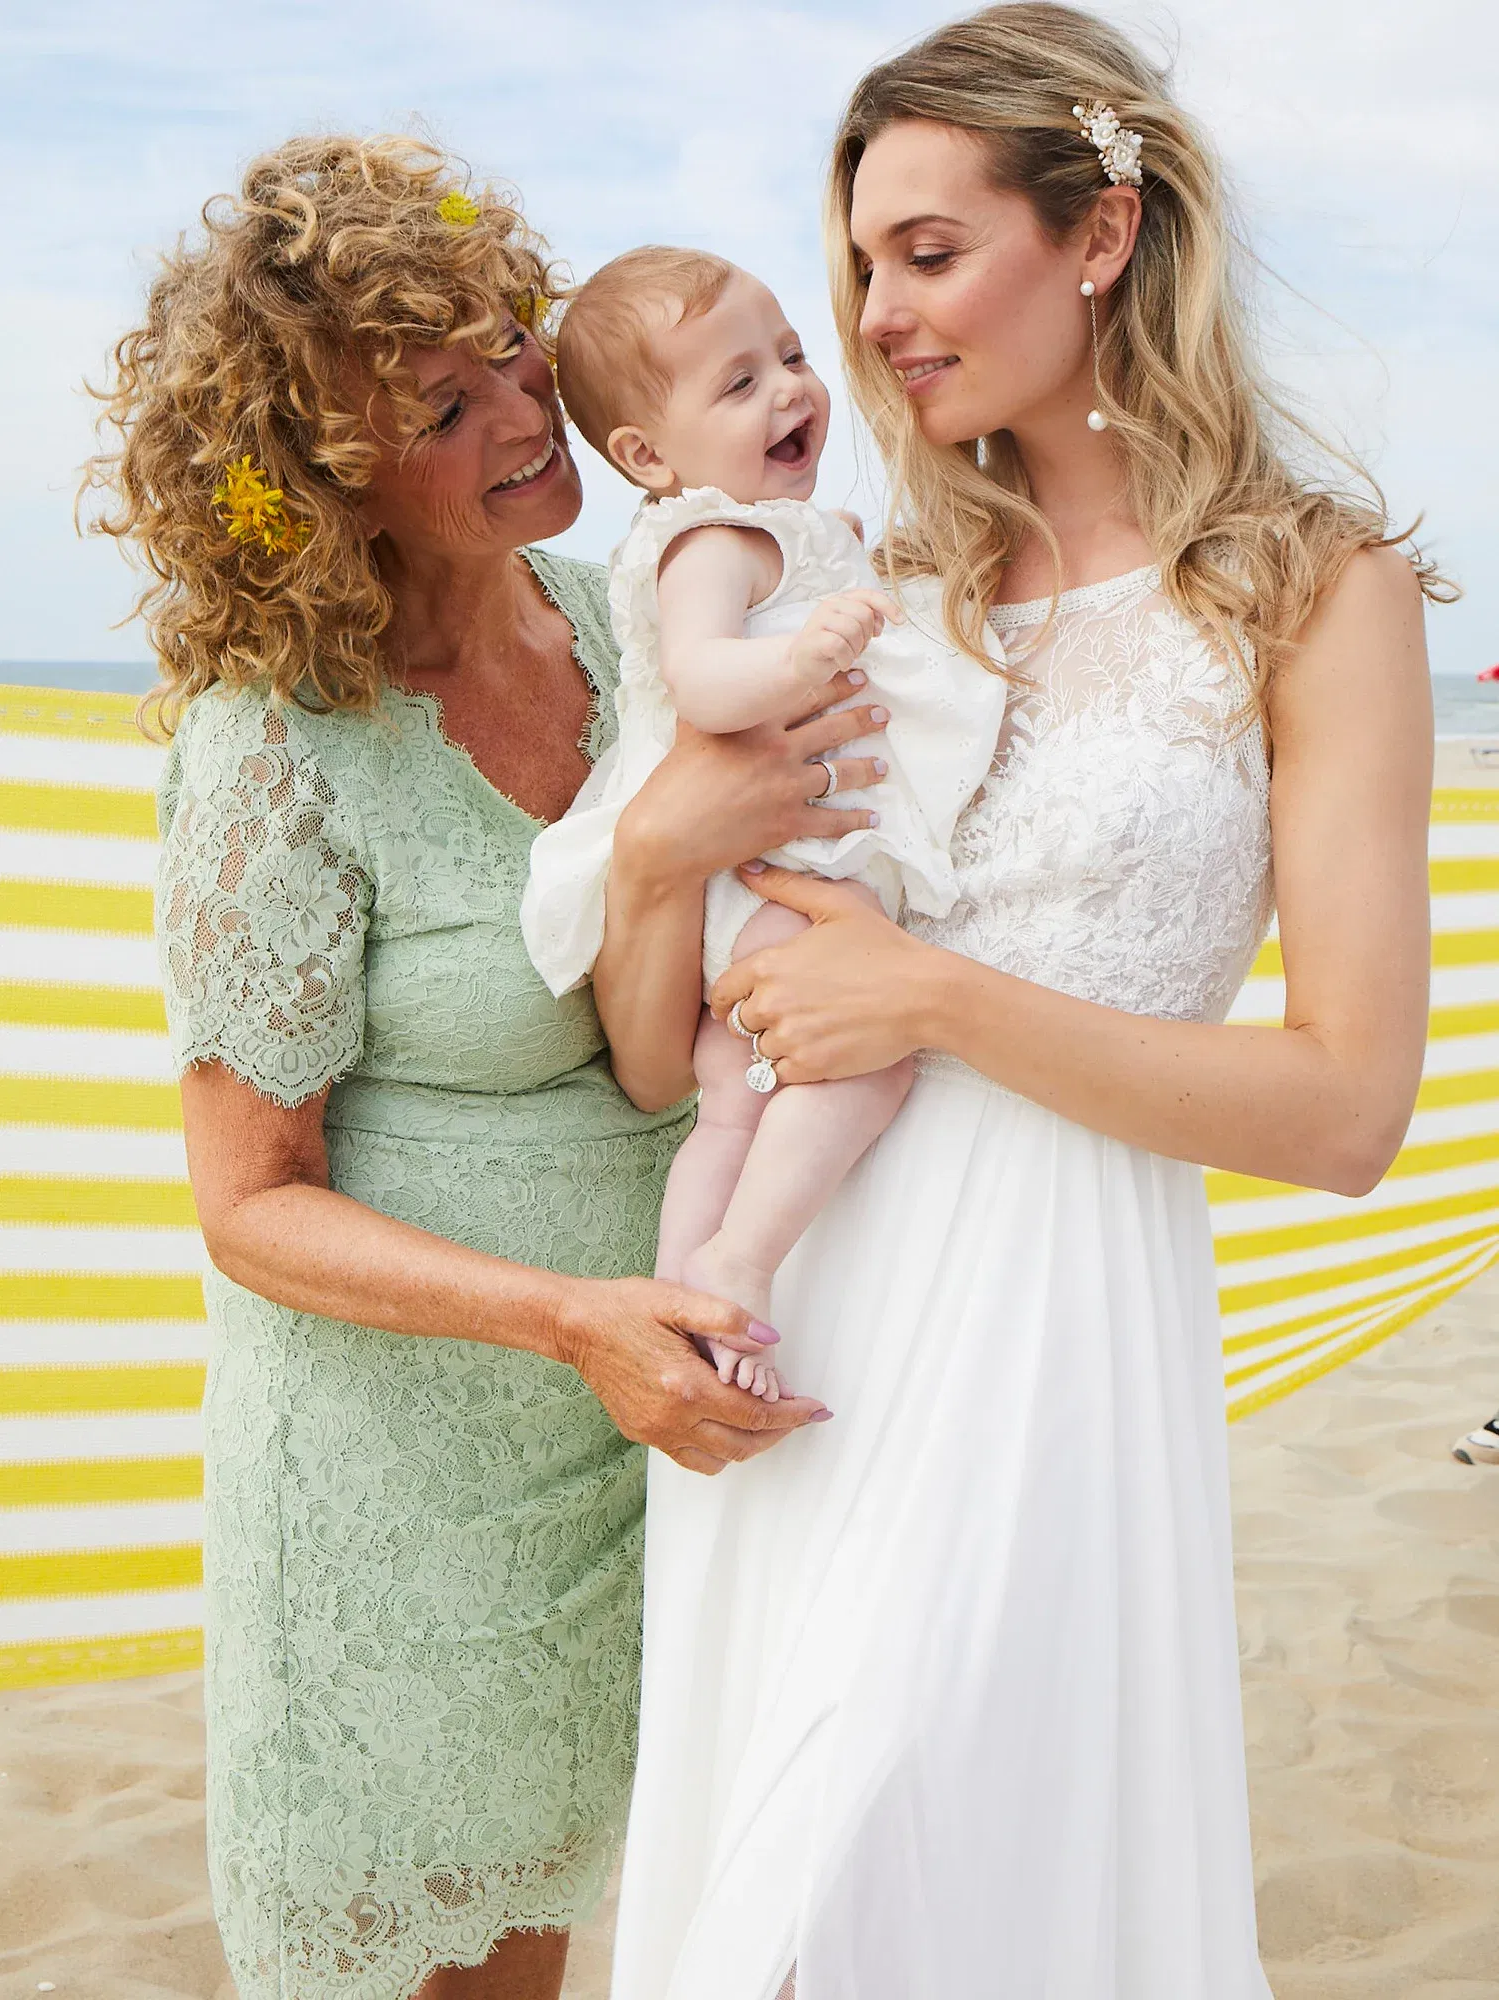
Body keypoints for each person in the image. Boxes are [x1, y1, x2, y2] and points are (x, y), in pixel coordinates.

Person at [602, 8, 1441, 1996]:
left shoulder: (1317, 591)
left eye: (927, 250)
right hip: (791, 1303)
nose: (877, 315)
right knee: (779, 1897)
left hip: (1053, 1324)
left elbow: (1345, 1114)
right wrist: (654, 867)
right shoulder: (859, 574)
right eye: (859, 266)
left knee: (914, 1866)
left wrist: (938, 998)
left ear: (1100, 231)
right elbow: (664, 1043)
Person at [83, 134, 886, 2000]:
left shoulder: (640, 629)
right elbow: (249, 1209)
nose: (530, 415)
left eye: (516, 347)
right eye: (444, 408)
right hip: (401, 1480)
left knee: (601, 1919)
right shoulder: (271, 745)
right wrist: (569, 1320)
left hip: (628, 1443)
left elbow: (663, 1008)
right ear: (322, 479)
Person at [522, 247, 1006, 1393]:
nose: (790, 388)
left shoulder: (782, 527)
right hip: (771, 869)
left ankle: (689, 1294)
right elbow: (704, 685)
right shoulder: (717, 539)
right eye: (738, 384)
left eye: (789, 355)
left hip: (755, 878)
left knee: (730, 1109)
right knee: (868, 1070)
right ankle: (744, 1257)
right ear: (647, 454)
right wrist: (808, 655)